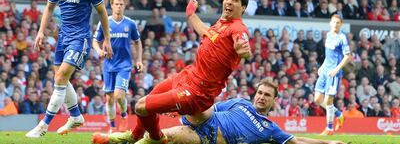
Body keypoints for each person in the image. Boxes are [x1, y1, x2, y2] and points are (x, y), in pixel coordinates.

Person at [110, 0, 251, 144]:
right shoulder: (222, 23)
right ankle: (135, 136)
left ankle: (156, 139)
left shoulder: (238, 27)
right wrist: (191, 14)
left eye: (235, 0)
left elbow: (243, 45)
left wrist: (245, 51)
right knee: (148, 101)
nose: (229, 2)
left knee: (141, 106)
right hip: (187, 76)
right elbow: (205, 31)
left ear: (243, 8)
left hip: (197, 91)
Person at [26, 0, 113, 138]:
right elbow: (49, 8)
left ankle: (43, 125)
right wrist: (41, 32)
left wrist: (106, 38)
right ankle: (75, 116)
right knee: (61, 79)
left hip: (80, 37)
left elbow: (102, 12)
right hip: (62, 37)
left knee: (60, 77)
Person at [92, 78, 345, 144]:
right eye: (259, 92)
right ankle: (178, 97)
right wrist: (180, 112)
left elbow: (298, 140)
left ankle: (117, 139)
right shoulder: (240, 102)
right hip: (201, 116)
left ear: (273, 102)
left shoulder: (270, 130)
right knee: (204, 104)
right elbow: (211, 108)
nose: (261, 97)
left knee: (159, 139)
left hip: (206, 137)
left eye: (267, 95)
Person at [93, 0, 143, 132]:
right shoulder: (105, 22)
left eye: (121, 4)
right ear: (112, 5)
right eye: (116, 4)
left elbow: (138, 42)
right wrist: (98, 50)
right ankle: (113, 126)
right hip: (109, 65)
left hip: (124, 65)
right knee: (109, 99)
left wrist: (139, 60)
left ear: (124, 6)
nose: (119, 6)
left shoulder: (130, 23)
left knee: (119, 95)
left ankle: (124, 115)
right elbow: (95, 41)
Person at [314, 15, 351, 135]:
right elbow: (328, 55)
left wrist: (336, 69)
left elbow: (348, 56)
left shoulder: (342, 38)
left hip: (333, 73)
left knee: (328, 101)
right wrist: (322, 66)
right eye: (334, 22)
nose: (335, 24)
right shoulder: (329, 35)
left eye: (338, 23)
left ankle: (329, 129)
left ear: (341, 25)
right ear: (330, 23)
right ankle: (339, 115)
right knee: (317, 99)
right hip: (325, 71)